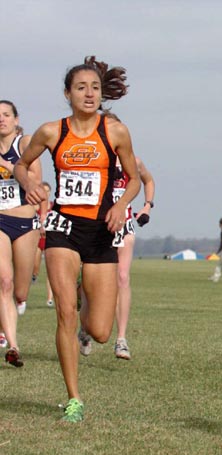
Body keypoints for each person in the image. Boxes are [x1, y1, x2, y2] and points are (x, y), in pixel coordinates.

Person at [14, 56, 141, 421]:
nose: (89, 94)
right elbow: (22, 165)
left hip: (101, 232)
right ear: (67, 93)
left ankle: (87, 304)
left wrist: (121, 206)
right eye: (81, 87)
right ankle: (74, 398)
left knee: (100, 331)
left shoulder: (115, 132)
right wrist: (31, 184)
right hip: (63, 229)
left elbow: (133, 178)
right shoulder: (52, 131)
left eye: (95, 88)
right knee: (65, 314)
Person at [101, 113, 155, 360]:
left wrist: (147, 206)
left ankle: (121, 339)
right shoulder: (95, 158)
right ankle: (85, 327)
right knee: (93, 284)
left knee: (122, 277)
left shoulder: (133, 160)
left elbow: (148, 180)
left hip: (124, 225)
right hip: (97, 227)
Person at [0, 99, 42, 367]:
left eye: (5, 114)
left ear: (16, 119)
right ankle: (12, 344)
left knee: (21, 292)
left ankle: (17, 304)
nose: (1, 119)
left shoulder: (25, 144)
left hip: (25, 221)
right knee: (4, 280)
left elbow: (35, 181)